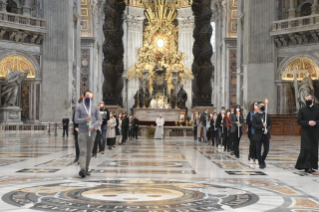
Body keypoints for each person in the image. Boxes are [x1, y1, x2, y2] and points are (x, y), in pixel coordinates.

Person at [74, 90, 101, 178]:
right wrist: (85, 119)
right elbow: (76, 120)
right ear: (83, 96)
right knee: (83, 151)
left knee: (89, 152)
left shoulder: (95, 108)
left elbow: (98, 120)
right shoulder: (79, 107)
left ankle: (86, 168)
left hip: (92, 131)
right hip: (82, 131)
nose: (89, 97)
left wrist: (93, 126)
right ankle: (82, 169)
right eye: (87, 95)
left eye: (90, 96)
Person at [295, 94, 319, 173]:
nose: (307, 101)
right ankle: (307, 166)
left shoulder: (317, 109)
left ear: (313, 100)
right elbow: (299, 121)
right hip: (305, 131)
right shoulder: (302, 110)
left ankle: (312, 166)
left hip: (315, 131)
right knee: (306, 148)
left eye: (308, 99)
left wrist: (315, 122)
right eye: (306, 100)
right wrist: (308, 122)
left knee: (313, 149)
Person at [252, 102, 272, 169]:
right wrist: (261, 126)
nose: (263, 107)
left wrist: (267, 130)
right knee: (258, 149)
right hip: (258, 135)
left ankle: (262, 160)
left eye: (264, 106)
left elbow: (270, 125)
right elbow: (254, 126)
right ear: (258, 107)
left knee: (266, 149)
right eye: (261, 106)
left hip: (266, 135)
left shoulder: (267, 115)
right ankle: (261, 163)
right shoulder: (255, 116)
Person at [72, 97, 83, 163]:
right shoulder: (76, 109)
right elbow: (74, 119)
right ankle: (77, 156)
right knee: (77, 143)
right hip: (77, 129)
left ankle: (82, 158)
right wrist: (76, 127)